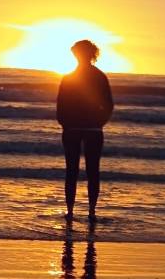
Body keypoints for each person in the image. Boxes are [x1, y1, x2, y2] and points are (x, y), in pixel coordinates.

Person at [56, 39, 114, 222]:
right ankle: (87, 212)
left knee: (74, 170)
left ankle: (77, 211)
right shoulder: (99, 77)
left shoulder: (70, 78)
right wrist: (99, 121)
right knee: (90, 171)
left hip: (81, 129)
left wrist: (66, 122)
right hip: (88, 129)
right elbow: (108, 105)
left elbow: (61, 105)